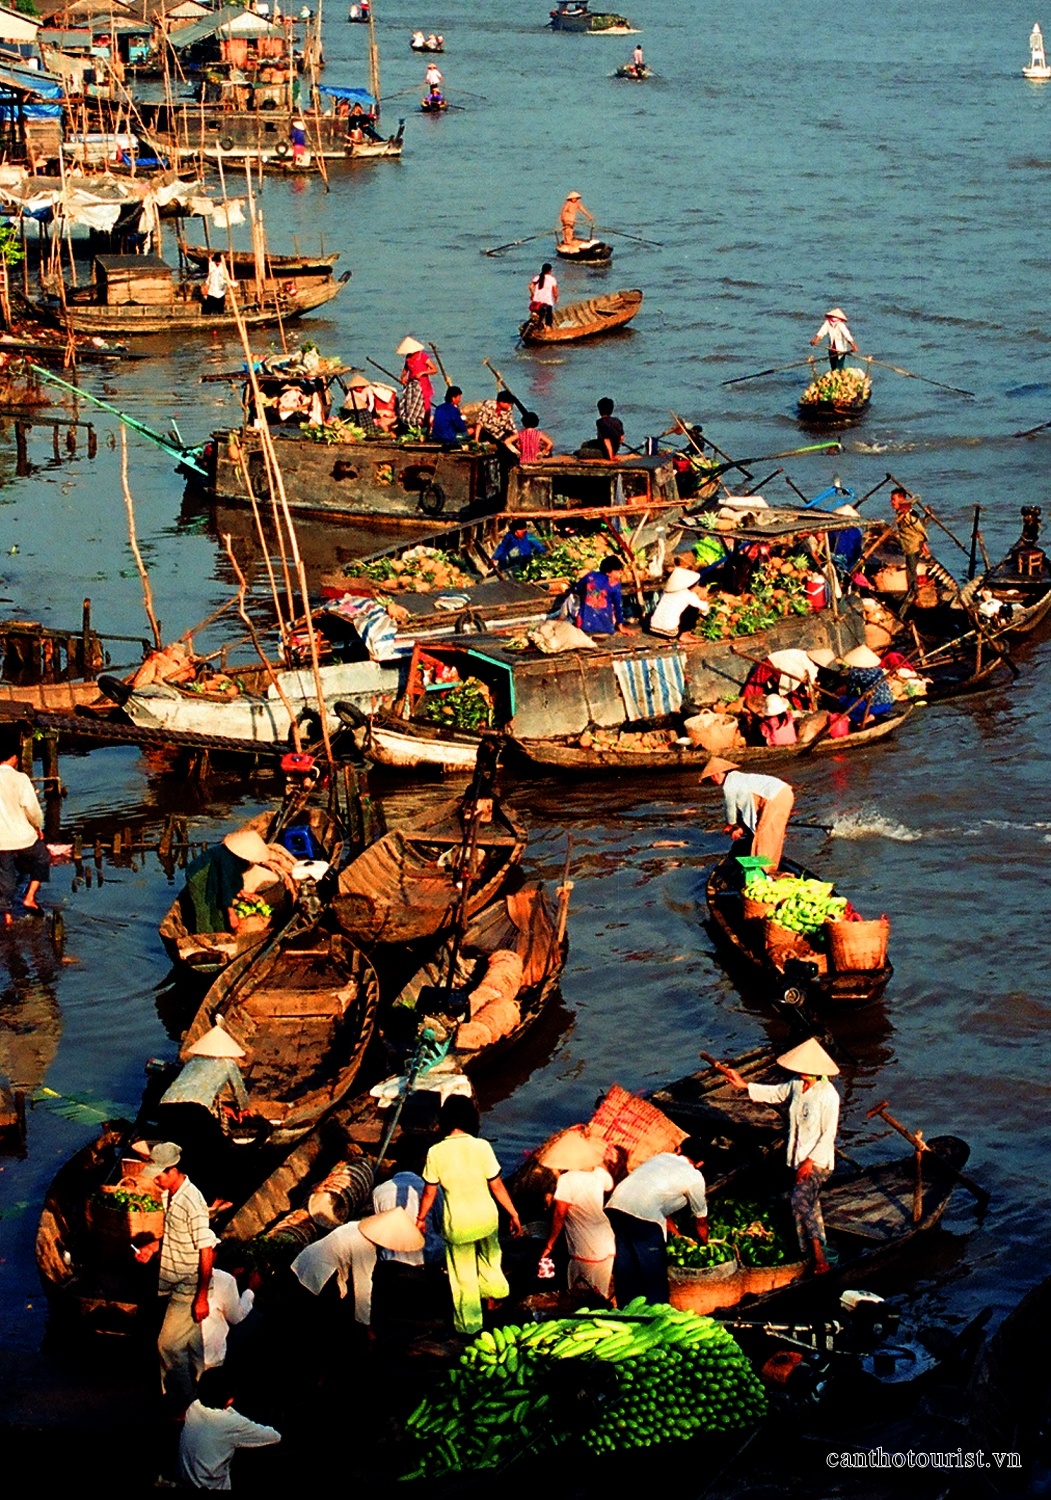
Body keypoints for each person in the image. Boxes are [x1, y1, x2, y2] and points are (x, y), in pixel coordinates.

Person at [715, 1038, 840, 1276]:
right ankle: (809, 1249)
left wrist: (809, 1162)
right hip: (797, 1158)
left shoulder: (828, 1095)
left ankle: (819, 1257)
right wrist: (743, 1085)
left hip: (818, 1161)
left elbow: (829, 1134)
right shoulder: (797, 1085)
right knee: (810, 1204)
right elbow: (775, 1093)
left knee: (799, 1201)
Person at [415, 1095, 522, 1336]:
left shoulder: (435, 1152)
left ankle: (470, 1326)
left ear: (444, 1120)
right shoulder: (482, 1146)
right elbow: (497, 1186)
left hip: (458, 1224)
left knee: (462, 1276)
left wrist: (421, 1219)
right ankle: (496, 1296)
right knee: (491, 1259)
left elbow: (429, 1193)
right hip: (486, 1218)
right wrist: (513, 1213)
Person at [140, 1141, 219, 1412]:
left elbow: (206, 1249)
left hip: (189, 1285)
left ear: (173, 1170)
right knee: (193, 1349)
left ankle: (185, 1405)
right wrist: (153, 1247)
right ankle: (206, 1399)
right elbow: (175, 1236)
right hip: (173, 1281)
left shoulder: (192, 1201)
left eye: (160, 1175)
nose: (156, 1180)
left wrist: (201, 1296)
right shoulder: (169, 1196)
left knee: (168, 1346)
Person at [605, 1139, 708, 1306]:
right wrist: (704, 1244)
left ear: (679, 1149)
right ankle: (655, 1315)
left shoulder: (660, 1158)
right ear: (701, 1163)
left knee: (626, 1274)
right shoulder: (694, 1177)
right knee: (653, 1280)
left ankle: (627, 1314)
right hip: (644, 1221)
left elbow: (662, 1209)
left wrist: (678, 1236)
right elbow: (701, 1220)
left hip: (614, 1210)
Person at [290, 1206, 423, 1326]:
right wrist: (365, 1324)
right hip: (319, 1273)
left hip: (304, 1260)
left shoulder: (355, 1225)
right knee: (323, 1317)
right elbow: (362, 1288)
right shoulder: (365, 1248)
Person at [178, 1367, 281, 1490]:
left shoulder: (194, 1406)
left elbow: (227, 1414)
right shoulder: (231, 1423)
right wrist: (243, 1423)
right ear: (230, 1398)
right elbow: (275, 1437)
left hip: (187, 1479)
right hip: (212, 1486)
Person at [699, 759, 795, 875]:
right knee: (773, 836)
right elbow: (747, 809)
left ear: (721, 772)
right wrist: (741, 828)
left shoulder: (729, 784)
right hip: (783, 794)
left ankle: (762, 873)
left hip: (775, 797)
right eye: (711, 777)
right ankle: (771, 868)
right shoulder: (738, 779)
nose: (713, 779)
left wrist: (730, 825)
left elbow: (731, 808)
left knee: (763, 837)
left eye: (714, 775)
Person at [540, 1159, 617, 1300]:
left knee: (579, 1296)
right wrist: (599, 1162)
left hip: (585, 1246)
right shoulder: (599, 1173)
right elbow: (609, 1186)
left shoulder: (567, 1180)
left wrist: (549, 1244)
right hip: (606, 1241)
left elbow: (559, 1214)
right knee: (600, 1295)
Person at [178, 828, 277, 937]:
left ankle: (218, 929)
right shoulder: (227, 860)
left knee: (217, 905)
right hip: (199, 873)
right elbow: (225, 885)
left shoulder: (240, 860)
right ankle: (204, 934)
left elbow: (235, 877)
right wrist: (231, 914)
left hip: (215, 870)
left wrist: (241, 891)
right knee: (204, 904)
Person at [0, 734, 48, 924]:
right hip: (22, 836)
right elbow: (32, 809)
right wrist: (37, 826)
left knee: (6, 875)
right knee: (42, 857)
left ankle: (7, 917)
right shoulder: (20, 779)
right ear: (14, 757)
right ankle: (29, 897)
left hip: (1, 840)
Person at [569, 554, 626, 636]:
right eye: (618, 572)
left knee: (572, 602)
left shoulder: (590, 576)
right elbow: (618, 606)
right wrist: (621, 625)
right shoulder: (615, 584)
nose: (620, 574)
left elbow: (576, 589)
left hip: (583, 626)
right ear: (608, 573)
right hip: (605, 628)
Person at [840, 644, 895, 727]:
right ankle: (871, 716)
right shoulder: (878, 669)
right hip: (889, 702)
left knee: (844, 700)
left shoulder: (855, 672)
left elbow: (850, 690)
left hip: (873, 706)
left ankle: (861, 717)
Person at [890, 486, 929, 600]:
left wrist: (923, 541)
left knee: (911, 571)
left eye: (894, 499)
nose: (892, 502)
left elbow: (918, 527)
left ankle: (913, 593)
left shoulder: (907, 514)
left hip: (912, 546)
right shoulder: (900, 512)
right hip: (909, 545)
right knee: (911, 569)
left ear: (901, 500)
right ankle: (912, 591)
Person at [648, 566, 709, 638]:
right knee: (693, 608)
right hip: (669, 631)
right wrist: (705, 612)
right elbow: (703, 607)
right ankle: (684, 634)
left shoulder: (667, 593)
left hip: (653, 628)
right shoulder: (687, 594)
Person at [396, 336, 437, 431]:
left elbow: (434, 369)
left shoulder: (423, 357)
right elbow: (405, 370)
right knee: (410, 404)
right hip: (412, 384)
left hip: (423, 384)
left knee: (425, 405)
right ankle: (412, 423)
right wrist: (403, 377)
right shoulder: (408, 358)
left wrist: (422, 373)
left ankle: (427, 426)